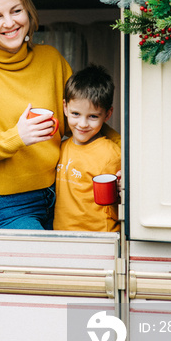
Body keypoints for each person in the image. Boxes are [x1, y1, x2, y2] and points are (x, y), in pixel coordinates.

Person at [0, 0, 72, 229]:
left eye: (16, 11)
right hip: (3, 202)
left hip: (60, 190)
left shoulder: (51, 59)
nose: (9, 23)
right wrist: (18, 136)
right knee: (40, 266)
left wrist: (120, 154)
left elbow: (83, 117)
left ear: (28, 11)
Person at [53, 64, 121, 232]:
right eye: (76, 114)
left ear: (107, 114)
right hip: (63, 236)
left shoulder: (111, 155)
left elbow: (121, 203)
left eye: (92, 116)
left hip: (100, 238)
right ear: (65, 108)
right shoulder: (60, 147)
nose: (82, 124)